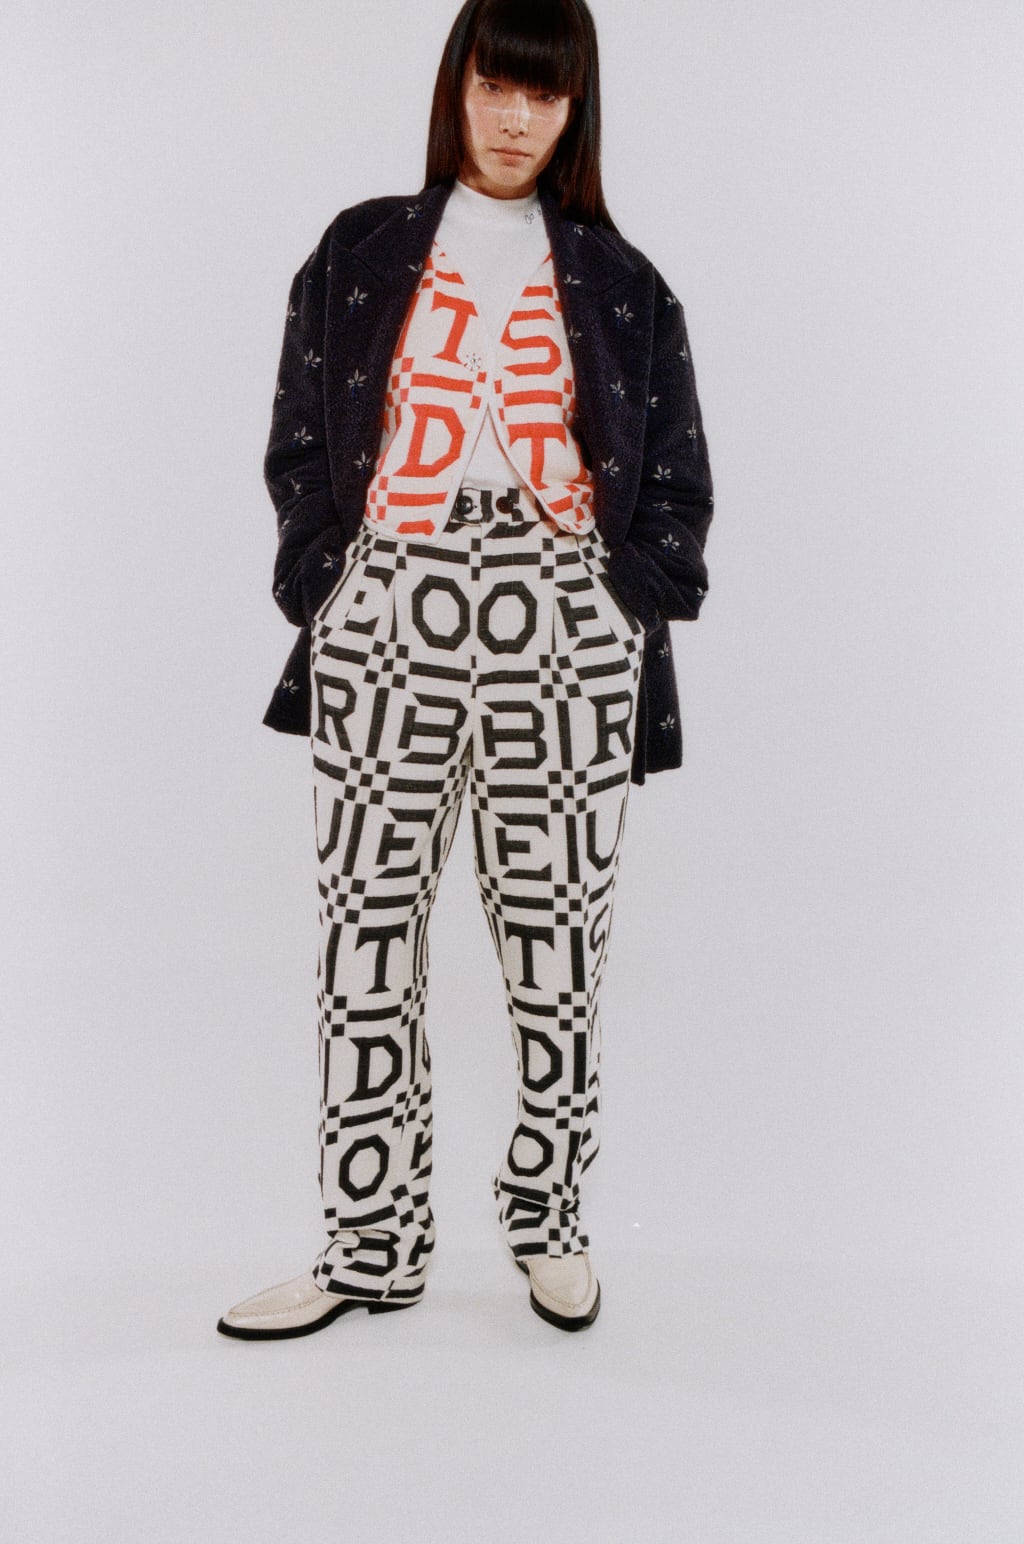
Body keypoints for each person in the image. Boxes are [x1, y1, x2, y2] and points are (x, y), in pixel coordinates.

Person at [217, 0, 714, 1341]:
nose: (515, 119)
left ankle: (550, 1223)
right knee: (365, 936)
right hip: (389, 604)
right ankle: (368, 1243)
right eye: (498, 86)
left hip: (567, 617)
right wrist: (328, 582)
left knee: (559, 942)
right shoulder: (363, 247)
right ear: (458, 88)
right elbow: (299, 444)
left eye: (544, 96)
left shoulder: (625, 283)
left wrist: (623, 598)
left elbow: (676, 481)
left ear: (574, 110)